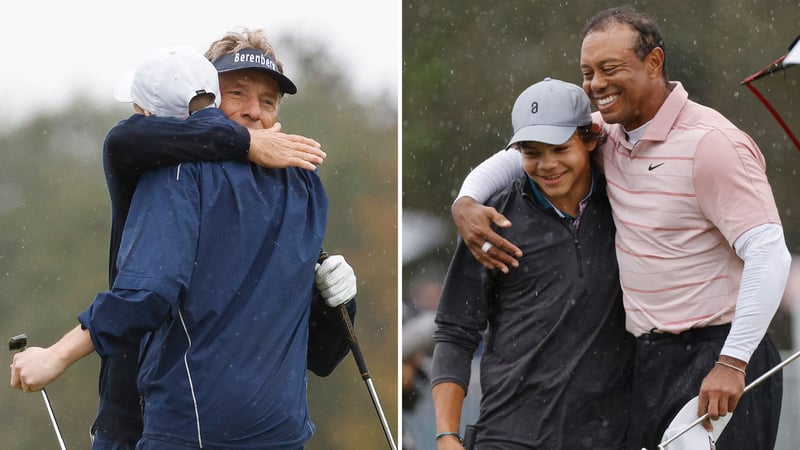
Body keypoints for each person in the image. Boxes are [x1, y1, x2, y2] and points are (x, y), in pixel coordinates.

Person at [450, 6, 791, 450]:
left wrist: (733, 361)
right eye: (587, 72)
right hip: (649, 361)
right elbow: (521, 154)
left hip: (720, 355)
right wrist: (466, 200)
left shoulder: (712, 144)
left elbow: (769, 251)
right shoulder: (607, 132)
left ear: (654, 62)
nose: (595, 85)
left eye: (609, 69)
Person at [11, 39, 356, 449]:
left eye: (268, 100)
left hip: (195, 429)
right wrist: (243, 142)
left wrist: (341, 305)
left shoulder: (296, 183)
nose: (253, 110)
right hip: (157, 416)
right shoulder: (172, 160)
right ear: (203, 100)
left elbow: (318, 354)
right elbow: (125, 140)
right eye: (237, 93)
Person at [431, 78, 633, 450]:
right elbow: (455, 332)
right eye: (531, 151)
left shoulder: (625, 205)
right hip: (508, 436)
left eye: (559, 149)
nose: (547, 165)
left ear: (589, 140)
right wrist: (446, 435)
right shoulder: (491, 220)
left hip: (608, 436)